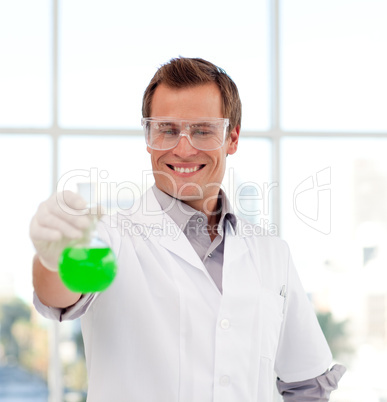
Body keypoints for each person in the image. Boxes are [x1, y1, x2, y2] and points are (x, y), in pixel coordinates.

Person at [30, 57, 345, 401]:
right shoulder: (112, 236)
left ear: (232, 138)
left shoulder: (271, 252)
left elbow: (307, 384)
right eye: (167, 129)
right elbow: (59, 294)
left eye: (202, 130)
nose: (183, 148)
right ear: (148, 137)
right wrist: (52, 257)